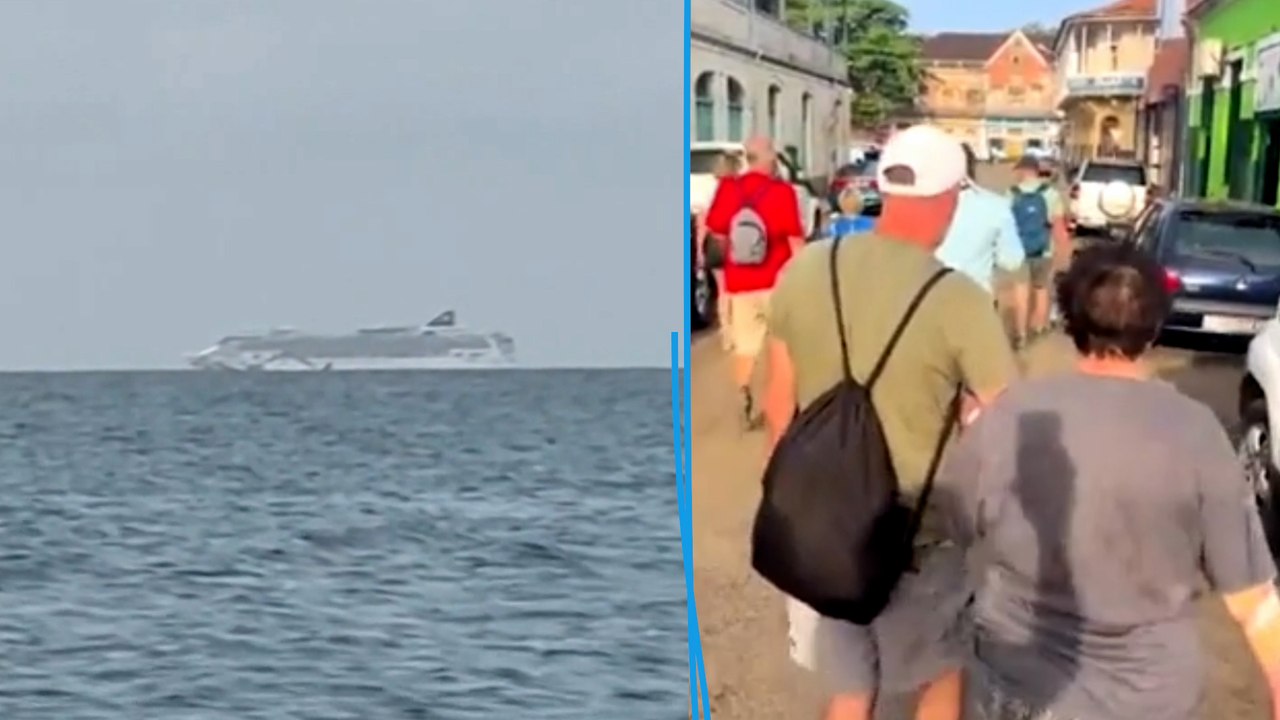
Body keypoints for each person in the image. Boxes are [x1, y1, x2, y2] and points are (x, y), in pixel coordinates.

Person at [936, 243, 1280, 720]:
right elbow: (1251, 599)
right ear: (1155, 327)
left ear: (1070, 320)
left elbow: (954, 519)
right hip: (1151, 696)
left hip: (1023, 684)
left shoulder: (1013, 414)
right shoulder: (1196, 431)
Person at [762, 124, 1018, 720]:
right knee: (938, 677)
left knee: (850, 689)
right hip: (917, 532)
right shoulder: (957, 298)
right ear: (950, 197)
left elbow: (779, 404)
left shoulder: (807, 269)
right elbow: (1005, 419)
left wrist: (796, 507)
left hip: (825, 526)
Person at [705, 136, 805, 431]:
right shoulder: (782, 192)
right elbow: (795, 239)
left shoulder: (728, 189)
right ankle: (782, 406)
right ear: (767, 158)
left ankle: (743, 391)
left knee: (745, 346)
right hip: (777, 282)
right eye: (773, 153)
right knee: (783, 345)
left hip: (740, 284)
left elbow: (718, 233)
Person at [935, 143, 1025, 297]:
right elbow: (1012, 261)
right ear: (972, 167)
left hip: (928, 299)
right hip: (977, 298)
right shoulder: (997, 205)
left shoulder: (920, 205)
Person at [1007, 155, 1070, 348]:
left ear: (1022, 170)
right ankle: (1039, 327)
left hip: (1017, 251)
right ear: (1037, 171)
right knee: (1041, 289)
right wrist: (1062, 250)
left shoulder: (1011, 193)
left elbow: (1005, 225)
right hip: (1044, 250)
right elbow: (1058, 226)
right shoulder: (1050, 193)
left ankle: (1021, 334)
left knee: (1020, 291)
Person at [695, 151, 743, 351]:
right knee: (735, 289)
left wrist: (700, 249)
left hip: (714, 242)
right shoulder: (741, 189)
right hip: (734, 243)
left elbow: (702, 221)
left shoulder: (709, 190)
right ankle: (737, 332)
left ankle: (726, 334)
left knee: (722, 291)